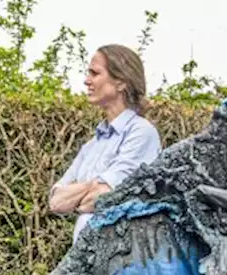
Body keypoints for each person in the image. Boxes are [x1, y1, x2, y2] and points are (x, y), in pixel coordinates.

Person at [49, 44, 160, 239]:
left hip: (124, 262)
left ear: (121, 83)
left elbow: (100, 199)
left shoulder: (142, 133)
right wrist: (95, 184)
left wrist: (80, 191)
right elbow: (56, 202)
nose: (87, 81)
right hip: (88, 261)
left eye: (95, 73)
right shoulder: (92, 145)